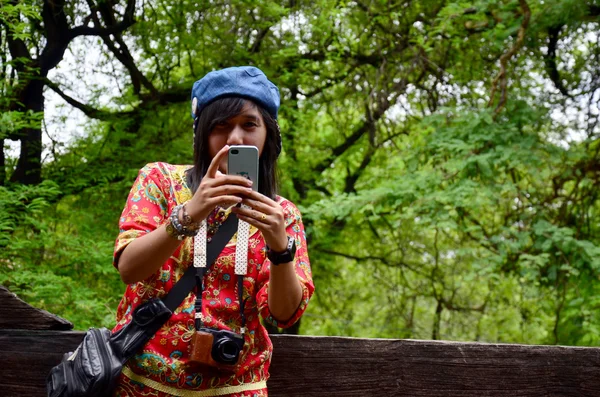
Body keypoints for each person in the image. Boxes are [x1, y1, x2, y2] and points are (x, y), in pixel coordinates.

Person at [110, 66, 314, 396]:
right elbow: (129, 268)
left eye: (249, 125)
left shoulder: (281, 214)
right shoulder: (159, 181)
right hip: (143, 384)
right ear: (202, 133)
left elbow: (283, 314)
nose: (235, 138)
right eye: (221, 126)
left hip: (237, 387)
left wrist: (280, 248)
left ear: (267, 135)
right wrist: (191, 212)